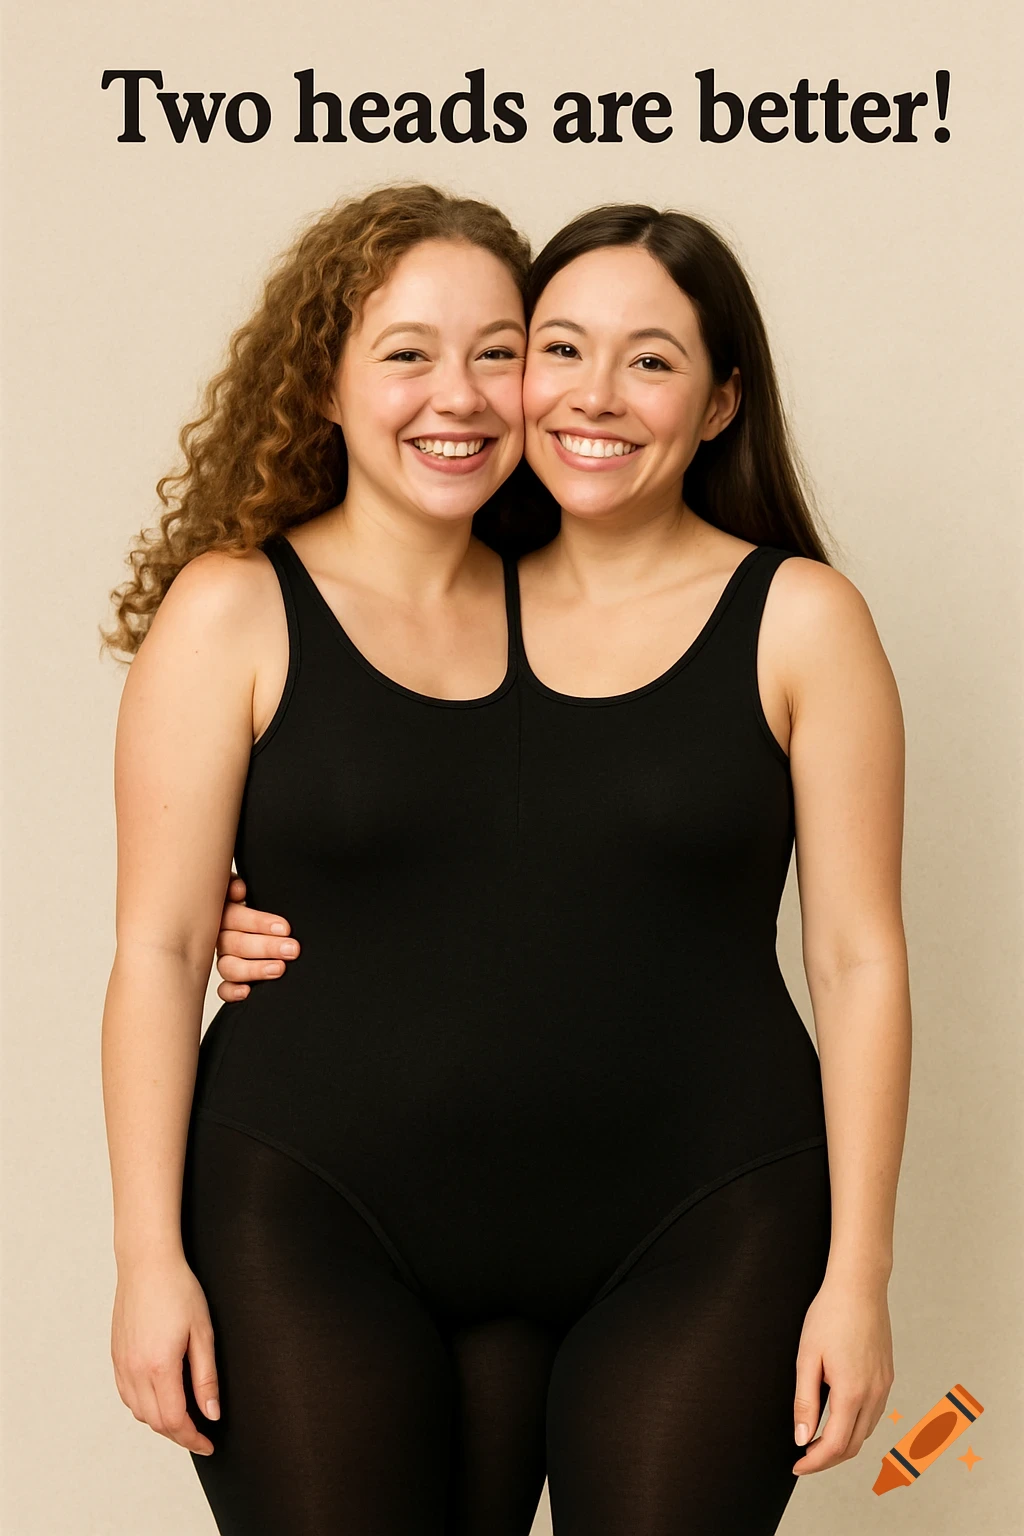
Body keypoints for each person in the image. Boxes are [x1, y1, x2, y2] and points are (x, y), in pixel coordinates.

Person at [103, 189, 909, 1535]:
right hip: (323, 1210)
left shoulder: (743, 609)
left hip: (695, 1209)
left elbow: (851, 953)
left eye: (496, 348)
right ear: (325, 380)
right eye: (412, 351)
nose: (483, 394)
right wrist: (147, 1258)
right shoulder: (247, 607)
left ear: (720, 401)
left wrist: (860, 1278)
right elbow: (163, 945)